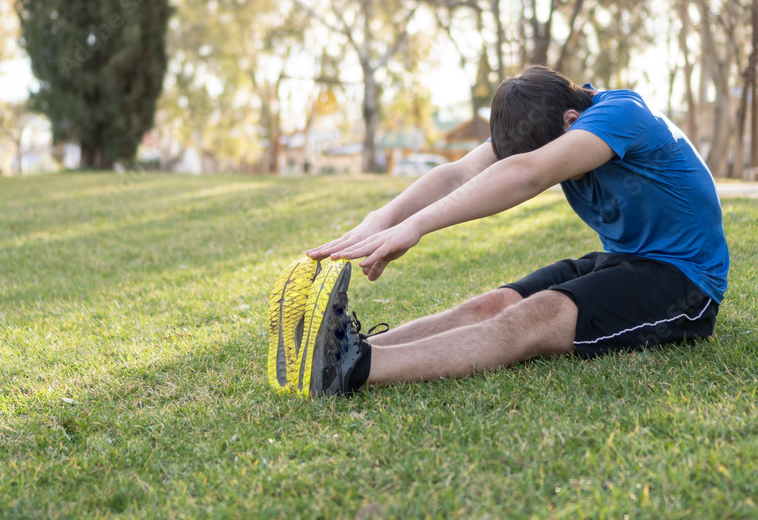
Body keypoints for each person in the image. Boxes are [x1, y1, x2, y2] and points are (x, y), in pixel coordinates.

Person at [268, 65, 729, 398]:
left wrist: (417, 227)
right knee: (490, 305)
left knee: (533, 316)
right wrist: (382, 219)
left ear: (571, 122)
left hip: (685, 283)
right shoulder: (544, 116)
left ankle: (354, 369)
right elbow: (458, 173)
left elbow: (527, 173)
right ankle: (336, 350)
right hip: (623, 260)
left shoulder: (621, 114)